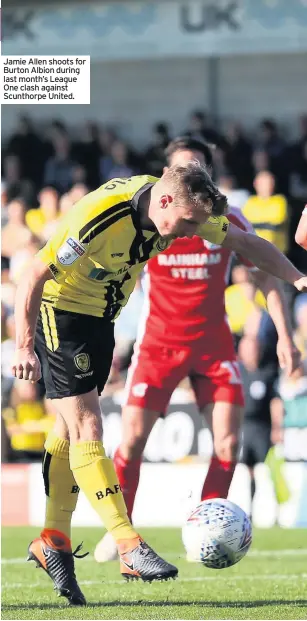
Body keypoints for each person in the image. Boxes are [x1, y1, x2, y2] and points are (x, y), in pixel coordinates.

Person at [13, 162, 307, 604]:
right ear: (164, 201)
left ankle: (53, 538)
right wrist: (22, 347)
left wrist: (299, 278)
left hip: (100, 317)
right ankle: (128, 543)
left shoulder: (182, 213)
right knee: (87, 427)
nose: (191, 233)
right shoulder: (100, 215)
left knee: (66, 430)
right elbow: (33, 276)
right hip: (62, 311)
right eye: (187, 223)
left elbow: (248, 244)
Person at [94, 137, 301, 563]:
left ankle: (205, 528)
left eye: (199, 169)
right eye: (182, 168)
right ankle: (120, 530)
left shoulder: (227, 220)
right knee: (131, 441)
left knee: (227, 443)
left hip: (212, 345)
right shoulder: (147, 219)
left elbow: (264, 274)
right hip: (158, 344)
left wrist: (285, 334)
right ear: (166, 178)